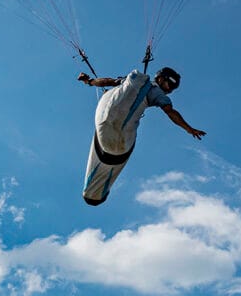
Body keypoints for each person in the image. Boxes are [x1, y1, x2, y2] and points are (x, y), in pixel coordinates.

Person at [77, 66, 206, 205]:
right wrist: (189, 129)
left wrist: (89, 81)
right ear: (161, 78)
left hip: (105, 125)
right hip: (121, 140)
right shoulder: (157, 92)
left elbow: (107, 81)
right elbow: (170, 112)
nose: (170, 90)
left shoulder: (132, 80)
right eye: (170, 85)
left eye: (173, 89)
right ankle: (96, 192)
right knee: (121, 145)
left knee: (114, 141)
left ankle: (93, 192)